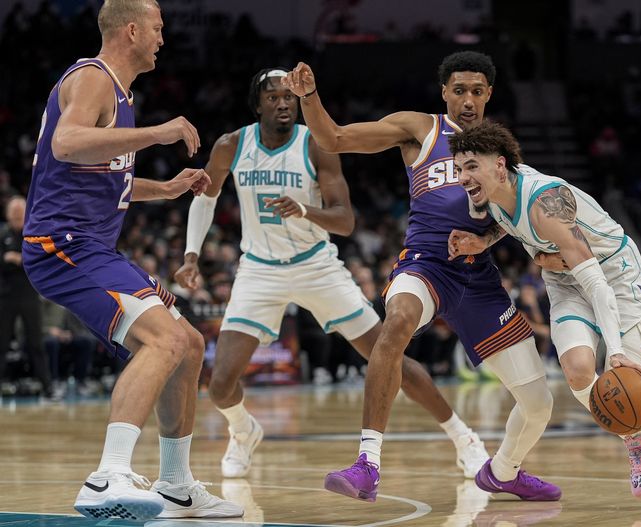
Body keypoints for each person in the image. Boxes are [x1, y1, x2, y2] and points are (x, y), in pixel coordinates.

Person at [174, 67, 488, 480]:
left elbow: (345, 221)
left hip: (316, 265)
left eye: (289, 97)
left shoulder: (315, 145)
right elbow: (205, 198)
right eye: (274, 97)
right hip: (259, 270)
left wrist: (305, 210)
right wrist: (192, 254)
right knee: (218, 386)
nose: (284, 103)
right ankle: (243, 429)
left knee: (388, 353)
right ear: (257, 104)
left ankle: (464, 437)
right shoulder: (232, 146)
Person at [284, 52, 559, 502]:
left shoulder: (501, 151)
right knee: (396, 322)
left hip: (477, 279)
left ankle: (504, 471)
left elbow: (510, 216)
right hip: (425, 262)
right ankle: (366, 464)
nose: (467, 100)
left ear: (488, 94)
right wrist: (309, 96)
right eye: (458, 90)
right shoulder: (422, 128)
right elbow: (333, 138)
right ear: (444, 92)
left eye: (476, 91)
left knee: (538, 403)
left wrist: (485, 241)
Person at [21, 0, 240, 520]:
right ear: (133, 30)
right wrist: (158, 133)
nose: (164, 39)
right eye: (159, 29)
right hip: (61, 246)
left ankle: (176, 485)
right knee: (163, 340)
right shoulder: (94, 77)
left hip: (92, 247)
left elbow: (103, 176)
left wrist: (164, 189)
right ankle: (108, 475)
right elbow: (68, 142)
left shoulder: (121, 95)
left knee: (188, 344)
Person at [446, 120, 641, 510]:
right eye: (459, 168)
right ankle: (634, 437)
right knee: (576, 371)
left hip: (614, 275)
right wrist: (482, 239)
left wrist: (617, 352)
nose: (463, 177)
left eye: (471, 166)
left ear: (500, 166)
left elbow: (597, 284)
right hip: (564, 281)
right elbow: (510, 222)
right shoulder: (485, 196)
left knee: (624, 378)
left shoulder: (546, 201)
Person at [0, 196, 52, 398]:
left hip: (30, 295)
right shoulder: (2, 234)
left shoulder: (34, 233)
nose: (17, 216)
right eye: (14, 213)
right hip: (5, 296)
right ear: (8, 215)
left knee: (36, 343)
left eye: (20, 213)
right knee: (2, 343)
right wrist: (10, 260)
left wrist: (15, 259)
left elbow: (40, 261)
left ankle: (47, 387)